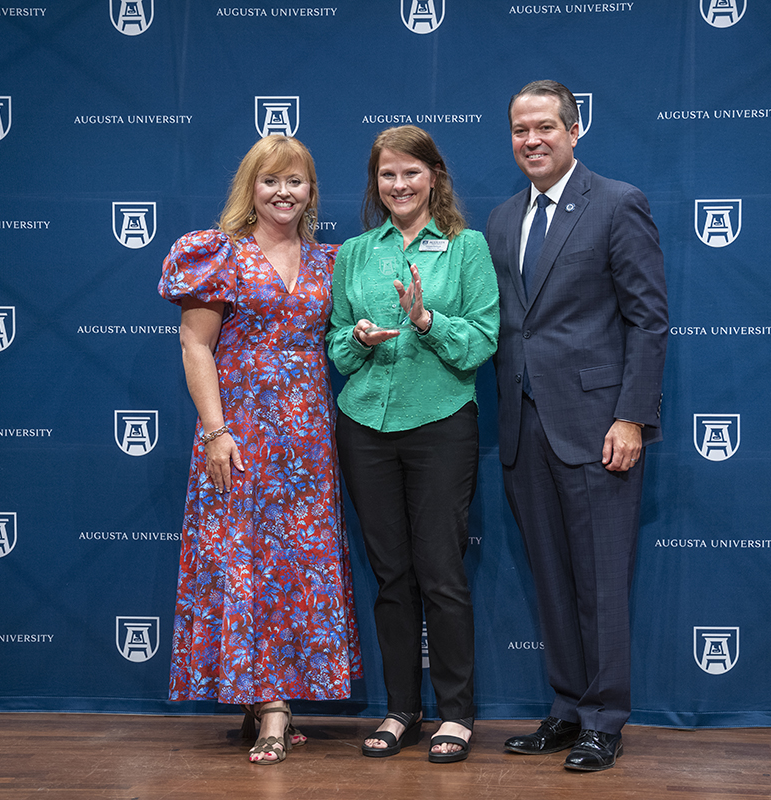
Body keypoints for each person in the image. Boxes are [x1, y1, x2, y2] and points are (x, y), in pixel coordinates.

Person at [159, 135, 361, 766]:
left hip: (308, 440)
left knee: (297, 569)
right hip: (239, 435)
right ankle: (271, 705)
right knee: (243, 560)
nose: (283, 192)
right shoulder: (219, 254)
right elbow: (196, 345)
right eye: (271, 180)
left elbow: (339, 340)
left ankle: (267, 696)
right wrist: (216, 432)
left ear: (311, 191)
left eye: (295, 181)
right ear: (250, 188)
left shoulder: (331, 262)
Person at [485, 80, 668, 772]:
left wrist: (631, 417)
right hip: (522, 425)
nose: (531, 140)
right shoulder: (502, 219)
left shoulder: (618, 203)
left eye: (544, 127)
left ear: (573, 129)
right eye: (519, 130)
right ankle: (566, 710)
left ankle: (604, 720)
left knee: (600, 580)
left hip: (597, 427)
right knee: (553, 580)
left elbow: (648, 320)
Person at [327, 125, 499, 764]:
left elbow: (482, 340)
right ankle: (402, 709)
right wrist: (359, 338)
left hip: (440, 423)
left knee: (441, 571)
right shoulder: (354, 253)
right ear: (376, 184)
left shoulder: (466, 247)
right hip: (364, 425)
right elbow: (335, 344)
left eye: (411, 173)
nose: (399, 185)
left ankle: (456, 714)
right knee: (391, 574)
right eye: (387, 174)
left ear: (434, 178)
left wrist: (425, 321)